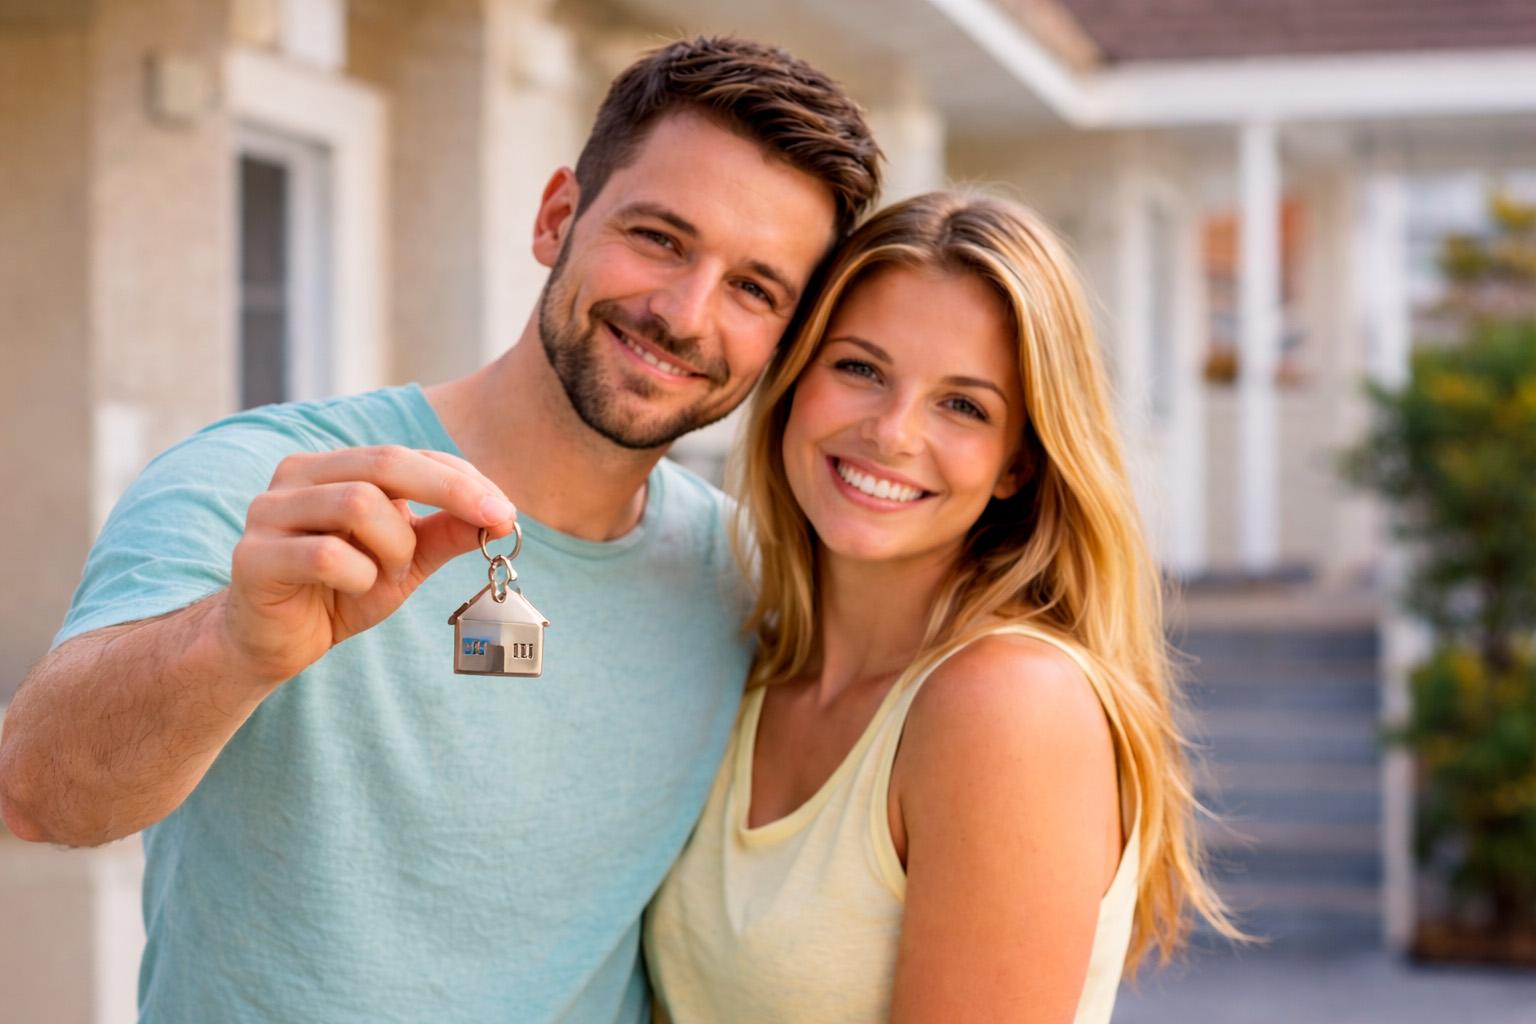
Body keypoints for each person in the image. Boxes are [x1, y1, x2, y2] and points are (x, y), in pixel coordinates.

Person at [0, 37, 880, 1023]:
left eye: (755, 287)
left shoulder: (748, 582)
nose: (683, 312)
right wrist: (235, 644)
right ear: (558, 218)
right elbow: (39, 791)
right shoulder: (268, 485)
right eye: (660, 237)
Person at [644, 192, 1243, 1022]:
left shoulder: (1007, 705)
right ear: (794, 383)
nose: (892, 432)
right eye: (859, 367)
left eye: (963, 405)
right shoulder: (746, 661)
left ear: (1017, 464)